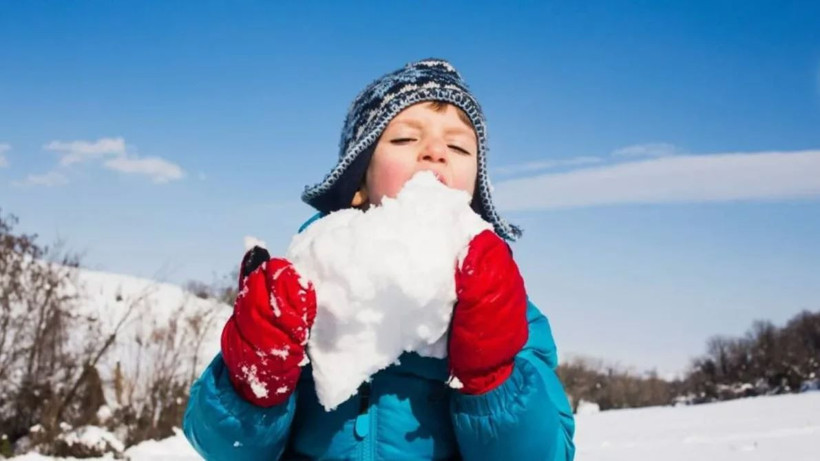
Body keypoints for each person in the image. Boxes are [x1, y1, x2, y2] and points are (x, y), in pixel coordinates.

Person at [183, 58, 576, 460]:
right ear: (358, 180)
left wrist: (495, 380)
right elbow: (222, 447)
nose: (436, 152)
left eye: (458, 146)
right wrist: (253, 382)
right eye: (406, 139)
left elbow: (547, 453)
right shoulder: (311, 280)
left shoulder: (508, 306)